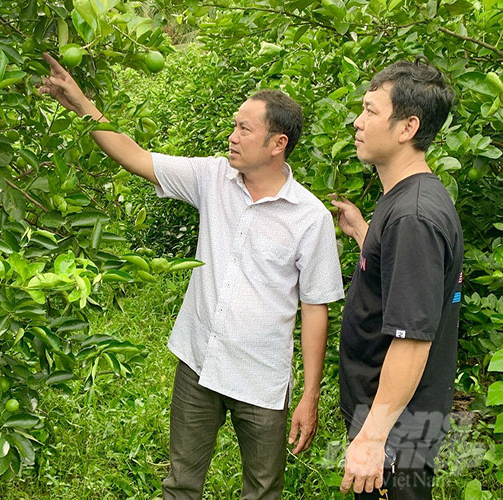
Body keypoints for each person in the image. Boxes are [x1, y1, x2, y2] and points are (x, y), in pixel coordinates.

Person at [40, 53, 344, 499]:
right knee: (181, 484)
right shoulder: (213, 177)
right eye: (234, 125)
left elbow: (315, 308)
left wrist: (309, 396)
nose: (232, 136)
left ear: (277, 144)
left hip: (261, 378)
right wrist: (84, 106)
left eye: (245, 129)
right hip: (199, 361)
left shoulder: (310, 218)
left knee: (262, 491)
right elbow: (136, 157)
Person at [333, 60, 461, 499]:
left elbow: (412, 339)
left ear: (407, 127)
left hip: (396, 430)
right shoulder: (406, 196)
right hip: (389, 418)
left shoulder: (413, 217)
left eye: (370, 111)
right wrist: (362, 233)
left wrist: (372, 438)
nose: (357, 121)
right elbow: (406, 280)